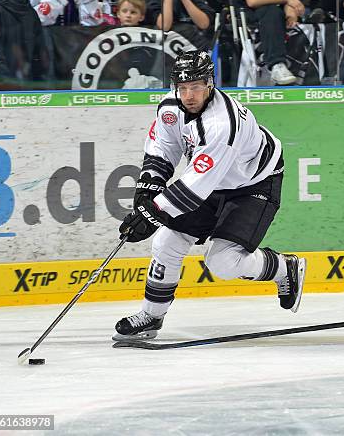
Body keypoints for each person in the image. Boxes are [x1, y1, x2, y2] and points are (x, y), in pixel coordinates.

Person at [113, 50, 307, 341]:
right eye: (182, 88)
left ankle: (284, 268)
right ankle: (152, 316)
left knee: (223, 263)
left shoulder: (222, 124)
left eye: (196, 87)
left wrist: (152, 213)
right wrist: (147, 189)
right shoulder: (170, 108)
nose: (189, 95)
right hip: (214, 182)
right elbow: (163, 149)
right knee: (167, 241)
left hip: (254, 184)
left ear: (210, 84)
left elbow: (196, 185)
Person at [244, 0, 305, 85]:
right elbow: (252, 1)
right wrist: (288, 0)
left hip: (276, 11)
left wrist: (289, 8)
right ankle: (277, 65)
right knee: (272, 12)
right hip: (248, 12)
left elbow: (294, 2)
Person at [147, 0, 213, 31]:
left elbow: (204, 24)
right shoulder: (155, 0)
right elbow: (164, 26)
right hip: (167, 49)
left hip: (194, 46)